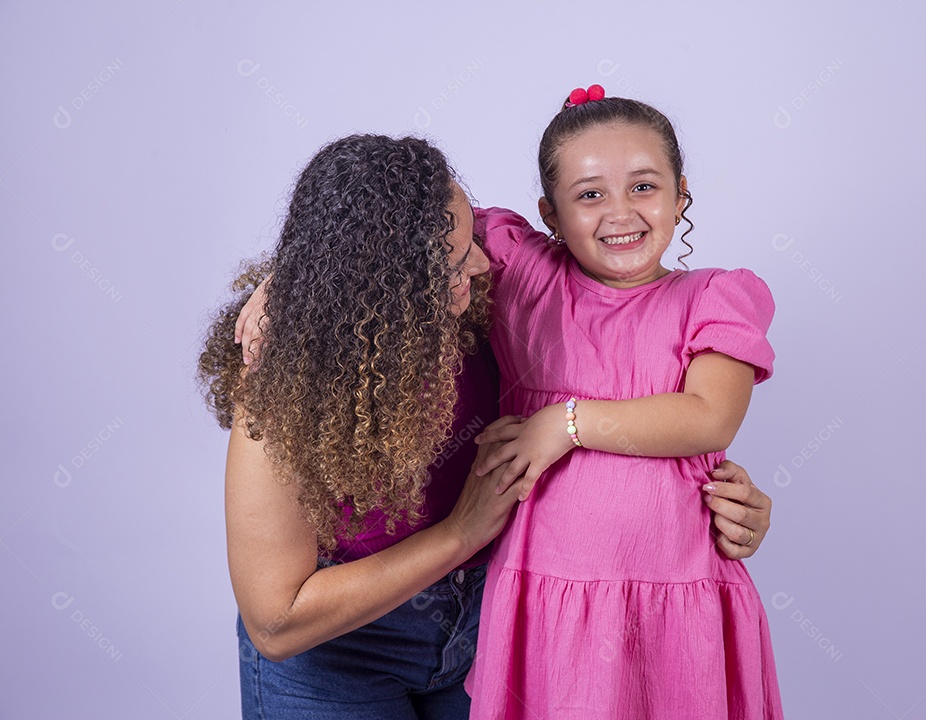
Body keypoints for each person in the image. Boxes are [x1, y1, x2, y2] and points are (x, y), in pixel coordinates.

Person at [218, 133, 776, 719]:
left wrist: (714, 498)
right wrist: (462, 532)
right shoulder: (283, 388)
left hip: (494, 621)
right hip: (345, 649)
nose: (481, 263)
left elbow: (633, 401)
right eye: (456, 260)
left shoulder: (486, 307)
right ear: (394, 285)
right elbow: (276, 623)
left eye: (471, 244)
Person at [463, 87, 784, 718]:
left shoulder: (716, 297)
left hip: (678, 598)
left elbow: (709, 415)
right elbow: (387, 228)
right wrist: (279, 281)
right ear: (549, 213)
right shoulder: (524, 275)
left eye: (644, 186)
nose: (621, 213)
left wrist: (566, 422)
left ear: (680, 192)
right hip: (543, 601)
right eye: (589, 195)